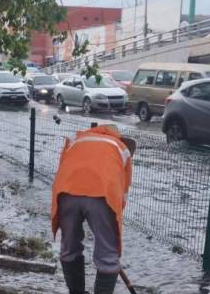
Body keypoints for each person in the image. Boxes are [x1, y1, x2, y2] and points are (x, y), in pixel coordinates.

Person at [51, 124, 136, 294]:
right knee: (108, 255)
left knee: (69, 247)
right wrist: (107, 225)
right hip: (103, 195)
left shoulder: (77, 141)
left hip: (66, 192)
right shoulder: (121, 149)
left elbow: (62, 169)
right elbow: (121, 194)